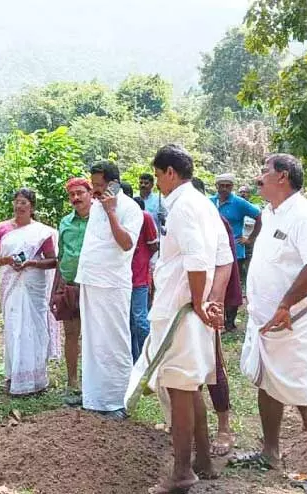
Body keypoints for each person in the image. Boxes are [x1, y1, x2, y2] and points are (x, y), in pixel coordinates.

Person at [126, 145, 234, 493]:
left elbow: (198, 260)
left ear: (170, 172)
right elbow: (225, 259)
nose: (157, 183)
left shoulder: (184, 206)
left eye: (158, 176)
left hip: (181, 311)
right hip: (192, 308)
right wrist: (212, 300)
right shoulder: (204, 204)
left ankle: (182, 471)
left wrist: (201, 302)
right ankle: (202, 461)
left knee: (179, 387)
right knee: (190, 385)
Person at [234, 154, 307, 492]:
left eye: (264, 171)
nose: (259, 176)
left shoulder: (306, 216)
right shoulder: (269, 213)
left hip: (295, 322)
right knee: (267, 384)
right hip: (266, 321)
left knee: (305, 394)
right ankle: (270, 453)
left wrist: (285, 304)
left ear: (282, 176)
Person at [75, 161, 143, 419]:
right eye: (93, 185)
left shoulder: (130, 208)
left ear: (114, 184)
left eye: (99, 185)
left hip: (113, 283)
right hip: (90, 279)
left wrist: (112, 212)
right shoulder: (95, 205)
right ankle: (94, 397)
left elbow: (126, 244)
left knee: (115, 341)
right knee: (93, 342)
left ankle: (117, 401)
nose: (95, 190)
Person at [0, 188, 59, 395]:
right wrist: (7, 260)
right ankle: (13, 377)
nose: (19, 206)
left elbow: (53, 261)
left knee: (34, 328)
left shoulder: (42, 232)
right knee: (14, 328)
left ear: (32, 207)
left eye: (24, 203)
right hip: (11, 284)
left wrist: (31, 263)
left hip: (34, 284)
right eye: (17, 202)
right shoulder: (2, 228)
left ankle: (37, 380)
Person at [191, 177, 242, 456]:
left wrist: (215, 303)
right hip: (183, 304)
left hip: (207, 305)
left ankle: (224, 428)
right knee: (187, 367)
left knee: (213, 366)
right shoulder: (180, 219)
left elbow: (226, 264)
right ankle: (190, 426)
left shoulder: (216, 222)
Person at [50, 178, 94, 406]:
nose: (76, 198)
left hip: (94, 286)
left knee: (95, 336)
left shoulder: (100, 220)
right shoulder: (65, 222)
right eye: (72, 195)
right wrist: (55, 289)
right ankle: (72, 382)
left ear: (90, 193)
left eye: (80, 193)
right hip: (69, 285)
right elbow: (61, 256)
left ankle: (94, 383)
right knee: (71, 333)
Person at [210, 173, 262, 331]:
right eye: (222, 186)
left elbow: (259, 216)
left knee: (232, 285)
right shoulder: (209, 202)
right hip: (213, 250)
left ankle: (230, 322)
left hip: (234, 251)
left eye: (228, 186)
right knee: (214, 284)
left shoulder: (239, 203)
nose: (224, 189)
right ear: (217, 186)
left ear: (232, 187)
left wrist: (250, 238)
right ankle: (215, 317)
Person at [122, 183, 159, 363]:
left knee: (140, 319)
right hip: (122, 278)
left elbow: (153, 245)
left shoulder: (144, 216)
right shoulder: (115, 217)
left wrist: (143, 262)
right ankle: (134, 358)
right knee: (128, 321)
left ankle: (149, 356)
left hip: (139, 276)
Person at [238, 185, 256, 283]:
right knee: (238, 269)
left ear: (249, 194)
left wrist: (250, 239)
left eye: (245, 192)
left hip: (250, 243)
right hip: (238, 242)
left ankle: (249, 286)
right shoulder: (235, 208)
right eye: (241, 192)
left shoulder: (254, 209)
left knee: (250, 268)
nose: (243, 194)